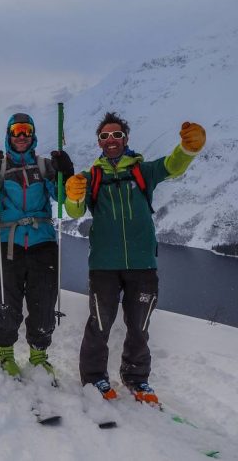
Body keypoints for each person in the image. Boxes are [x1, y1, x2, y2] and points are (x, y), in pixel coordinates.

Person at [65, 112, 206, 403]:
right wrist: (74, 196)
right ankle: (94, 379)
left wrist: (188, 149)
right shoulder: (91, 178)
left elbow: (172, 166)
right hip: (103, 265)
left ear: (126, 138)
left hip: (143, 265)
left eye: (116, 135)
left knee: (139, 326)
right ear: (99, 143)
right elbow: (75, 213)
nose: (111, 140)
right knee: (100, 324)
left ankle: (137, 378)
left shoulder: (143, 171)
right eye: (105, 136)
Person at [0, 113, 74, 381]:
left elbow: (61, 198)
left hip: (42, 243)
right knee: (7, 301)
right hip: (8, 243)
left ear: (33, 135)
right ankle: (5, 353)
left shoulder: (44, 166)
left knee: (43, 302)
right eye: (16, 131)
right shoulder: (1, 167)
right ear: (8, 134)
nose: (21, 135)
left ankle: (39, 355)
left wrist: (65, 174)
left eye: (26, 131)